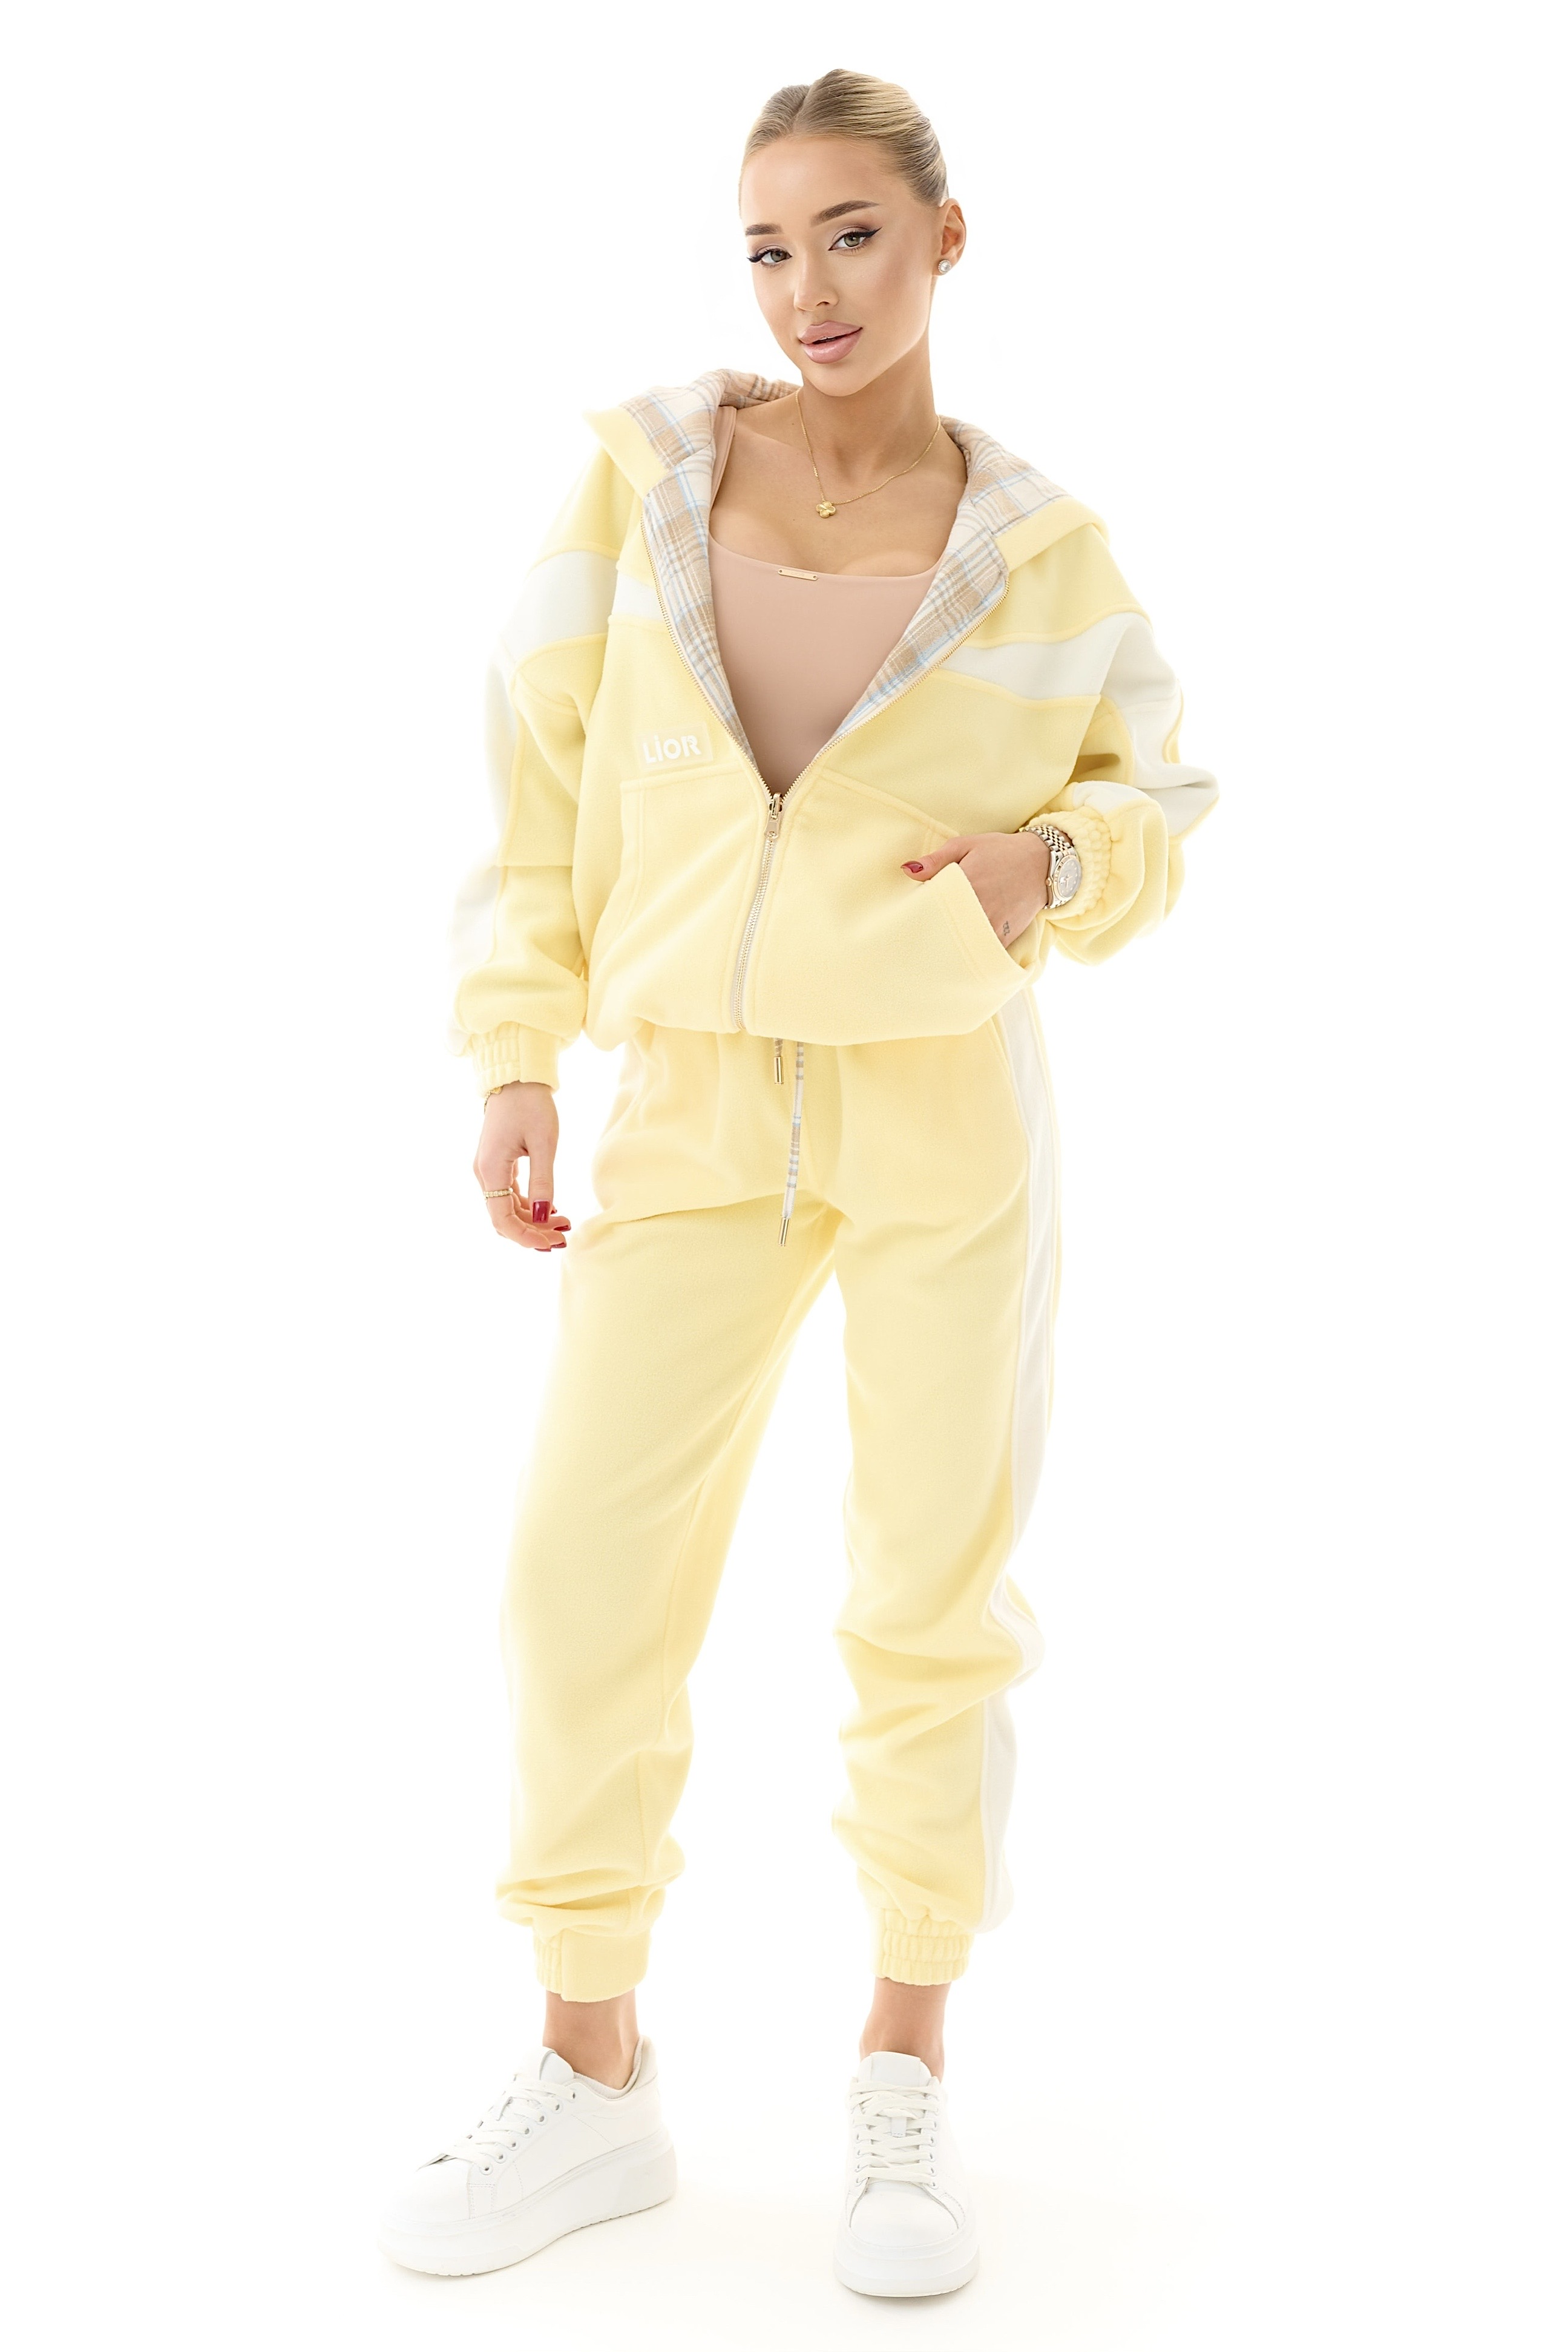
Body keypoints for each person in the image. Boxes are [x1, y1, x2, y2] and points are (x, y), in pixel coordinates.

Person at [376, 67, 1216, 2300]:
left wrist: (1054, 863)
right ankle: (591, 2069)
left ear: (947, 240)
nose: (808, 288)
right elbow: (536, 779)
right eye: (767, 245)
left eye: (851, 234)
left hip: (942, 1105)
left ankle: (903, 2069)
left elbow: (1159, 795)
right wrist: (515, 1051)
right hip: (689, 1096)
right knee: (580, 1577)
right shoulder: (640, 480)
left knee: (929, 1592)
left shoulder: (1042, 548)